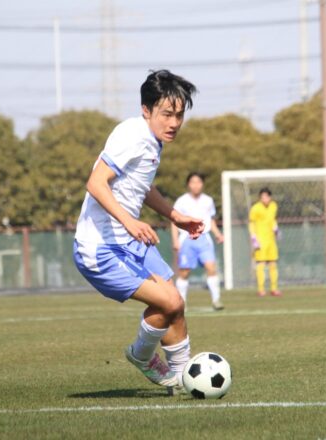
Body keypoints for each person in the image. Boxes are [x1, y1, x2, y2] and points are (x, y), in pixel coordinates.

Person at [73, 70, 203, 393]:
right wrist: (129, 222)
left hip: (128, 243)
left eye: (179, 115)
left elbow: (142, 187)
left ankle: (183, 379)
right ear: (146, 110)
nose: (174, 123)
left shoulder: (152, 141)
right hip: (99, 248)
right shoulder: (132, 134)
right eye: (166, 114)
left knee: (176, 303)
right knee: (169, 301)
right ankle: (141, 355)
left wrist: (175, 216)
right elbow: (96, 183)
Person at [171, 172, 225, 310]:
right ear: (188, 184)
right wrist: (175, 240)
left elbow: (210, 220)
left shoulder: (208, 200)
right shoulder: (181, 201)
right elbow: (174, 221)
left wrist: (218, 234)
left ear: (202, 184)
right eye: (193, 182)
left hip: (204, 238)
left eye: (199, 182)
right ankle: (181, 303)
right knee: (184, 272)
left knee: (211, 268)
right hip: (187, 239)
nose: (196, 185)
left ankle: (216, 300)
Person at [249, 188, 281, 297]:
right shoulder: (255, 208)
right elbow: (251, 223)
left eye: (267, 197)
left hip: (271, 240)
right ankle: (261, 289)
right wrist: (253, 237)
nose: (265, 199)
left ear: (270, 197)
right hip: (260, 240)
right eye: (262, 197)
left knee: (273, 263)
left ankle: (274, 288)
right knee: (261, 264)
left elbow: (273, 220)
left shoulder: (273, 206)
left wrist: (276, 229)